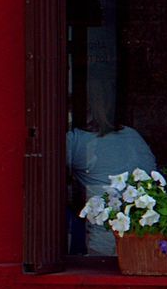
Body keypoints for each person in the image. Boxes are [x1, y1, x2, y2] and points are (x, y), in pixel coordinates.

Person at [67, 79, 157, 256]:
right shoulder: (133, 136)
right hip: (144, 242)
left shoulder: (77, 141)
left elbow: (47, 180)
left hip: (101, 245)